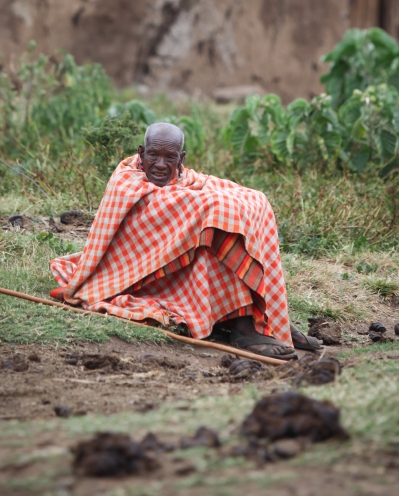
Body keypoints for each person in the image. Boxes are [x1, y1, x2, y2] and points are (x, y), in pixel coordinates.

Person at [50, 122, 320, 358]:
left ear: (181, 159)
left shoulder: (187, 180)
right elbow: (183, 209)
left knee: (254, 200)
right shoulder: (126, 182)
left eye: (170, 157)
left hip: (176, 267)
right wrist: (215, 208)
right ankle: (243, 326)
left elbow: (211, 191)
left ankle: (269, 318)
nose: (159, 164)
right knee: (213, 228)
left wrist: (246, 201)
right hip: (144, 278)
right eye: (153, 155)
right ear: (141, 153)